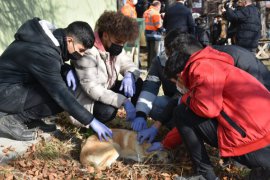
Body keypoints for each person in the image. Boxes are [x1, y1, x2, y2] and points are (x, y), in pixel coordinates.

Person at [161, 31, 270, 179]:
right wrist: (167, 143)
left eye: (176, 83)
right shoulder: (216, 60)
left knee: (181, 112)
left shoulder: (201, 67)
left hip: (252, 140)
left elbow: (207, 109)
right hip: (261, 133)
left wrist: (187, 98)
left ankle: (205, 174)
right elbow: (195, 121)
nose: (179, 87)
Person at [0, 18, 113, 141]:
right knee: (62, 96)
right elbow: (60, 92)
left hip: (13, 86)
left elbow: (44, 64)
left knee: (63, 86)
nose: (81, 55)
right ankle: (12, 120)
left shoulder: (46, 39)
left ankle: (31, 120)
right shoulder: (44, 50)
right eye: (81, 50)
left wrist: (66, 69)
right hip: (5, 93)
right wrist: (91, 121)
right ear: (70, 40)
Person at [69, 11, 142, 127]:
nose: (121, 46)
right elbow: (92, 88)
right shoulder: (88, 51)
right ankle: (93, 125)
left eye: (124, 43)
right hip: (87, 101)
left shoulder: (114, 46)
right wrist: (123, 101)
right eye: (119, 42)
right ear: (105, 35)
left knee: (137, 82)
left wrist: (130, 75)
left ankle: (139, 119)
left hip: (106, 89)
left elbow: (129, 64)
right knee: (107, 111)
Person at [131, 51, 179, 142]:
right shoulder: (159, 61)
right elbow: (150, 86)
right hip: (170, 101)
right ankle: (173, 127)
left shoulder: (192, 61)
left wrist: (157, 125)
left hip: (189, 105)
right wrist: (141, 113)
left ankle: (182, 130)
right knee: (151, 104)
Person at [143, 0, 165, 68]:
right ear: (158, 6)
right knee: (154, 54)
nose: (160, 8)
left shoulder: (146, 12)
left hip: (147, 34)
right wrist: (164, 30)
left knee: (149, 53)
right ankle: (153, 69)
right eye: (160, 7)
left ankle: (148, 67)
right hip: (155, 36)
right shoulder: (155, 13)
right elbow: (158, 26)